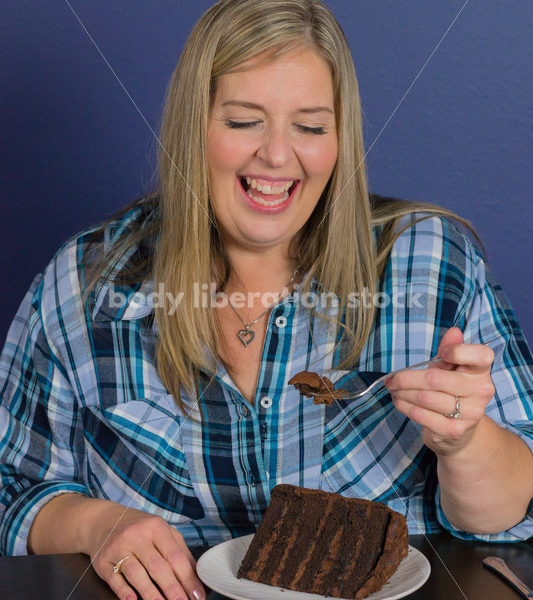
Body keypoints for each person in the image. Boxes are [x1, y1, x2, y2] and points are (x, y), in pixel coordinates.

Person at [1, 1, 532, 599]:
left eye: (309, 126)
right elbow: (8, 487)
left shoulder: (432, 264)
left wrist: (464, 440)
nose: (278, 156)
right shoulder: (86, 283)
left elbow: (512, 516)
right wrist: (97, 523)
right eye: (243, 121)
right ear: (192, 127)